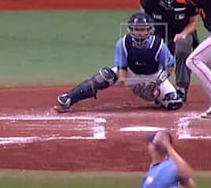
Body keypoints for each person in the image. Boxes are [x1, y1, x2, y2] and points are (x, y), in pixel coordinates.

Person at [54, 13, 186, 113]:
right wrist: (129, 83)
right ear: (131, 29)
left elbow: (169, 67)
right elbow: (122, 67)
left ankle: (158, 97)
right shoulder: (123, 43)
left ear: (149, 30)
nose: (139, 33)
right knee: (104, 76)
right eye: (136, 29)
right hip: (130, 72)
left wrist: (155, 84)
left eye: (143, 29)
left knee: (174, 103)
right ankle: (69, 99)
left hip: (154, 76)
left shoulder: (159, 45)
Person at [140, 0, 199, 102]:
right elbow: (144, 20)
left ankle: (182, 88)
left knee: (183, 49)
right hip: (159, 32)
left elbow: (194, 22)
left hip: (182, 32)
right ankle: (156, 87)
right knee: (149, 51)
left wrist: (183, 34)